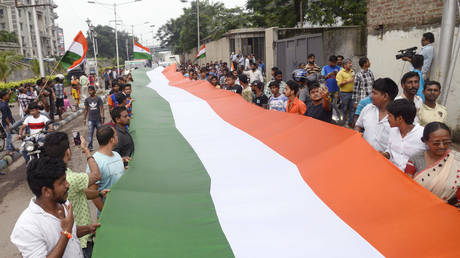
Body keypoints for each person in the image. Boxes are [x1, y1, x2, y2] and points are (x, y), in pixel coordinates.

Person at [43, 132, 107, 257]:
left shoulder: (54, 176)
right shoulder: (70, 178)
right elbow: (96, 175)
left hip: (72, 236)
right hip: (81, 240)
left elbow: (80, 192)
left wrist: (98, 193)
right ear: (67, 151)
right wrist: (86, 150)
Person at [10, 157, 85, 257]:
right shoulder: (26, 227)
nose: (68, 184)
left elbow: (72, 233)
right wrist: (66, 232)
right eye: (62, 182)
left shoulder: (63, 203)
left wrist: (90, 229)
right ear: (46, 191)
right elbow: (68, 231)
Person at [405, 122, 460, 205]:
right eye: (436, 143)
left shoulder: (457, 159)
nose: (442, 146)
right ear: (425, 141)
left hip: (450, 209)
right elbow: (407, 187)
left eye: (446, 142)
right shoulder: (415, 159)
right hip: (418, 206)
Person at [86, 125, 125, 213]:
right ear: (111, 139)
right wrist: (105, 213)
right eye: (115, 135)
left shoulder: (117, 155)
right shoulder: (95, 162)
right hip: (109, 212)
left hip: (122, 208)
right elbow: (93, 192)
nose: (117, 136)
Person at [355, 78, 399, 153]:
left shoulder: (398, 117)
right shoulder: (368, 108)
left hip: (384, 162)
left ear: (385, 96)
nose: (371, 96)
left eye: (374, 93)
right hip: (362, 154)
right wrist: (357, 136)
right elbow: (358, 126)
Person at [383, 99, 426, 171]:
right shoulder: (393, 131)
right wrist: (386, 154)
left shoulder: (423, 134)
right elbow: (390, 150)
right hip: (391, 173)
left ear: (399, 118)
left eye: (389, 116)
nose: (387, 119)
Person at [84, 86, 105, 151]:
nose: (90, 92)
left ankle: (103, 146)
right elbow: (86, 110)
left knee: (100, 134)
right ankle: (90, 147)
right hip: (90, 119)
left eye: (91, 90)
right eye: (89, 91)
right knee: (90, 134)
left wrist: (102, 117)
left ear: (94, 91)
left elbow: (102, 108)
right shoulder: (87, 100)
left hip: (98, 119)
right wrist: (84, 119)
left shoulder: (98, 98)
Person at [336, 58, 355, 127]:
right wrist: (348, 81)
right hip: (344, 93)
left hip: (352, 93)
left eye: (351, 63)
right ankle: (342, 123)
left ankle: (351, 123)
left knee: (352, 108)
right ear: (344, 65)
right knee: (344, 108)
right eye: (349, 63)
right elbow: (339, 84)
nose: (351, 64)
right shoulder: (340, 73)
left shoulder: (352, 71)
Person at [0, 90, 15, 155]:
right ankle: (8, 150)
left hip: (9, 120)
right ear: (3, 96)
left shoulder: (3, 101)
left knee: (10, 135)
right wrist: (9, 124)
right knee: (9, 136)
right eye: (6, 95)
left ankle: (12, 148)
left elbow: (8, 99)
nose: (7, 96)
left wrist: (10, 93)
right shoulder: (3, 105)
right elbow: (5, 116)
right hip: (6, 122)